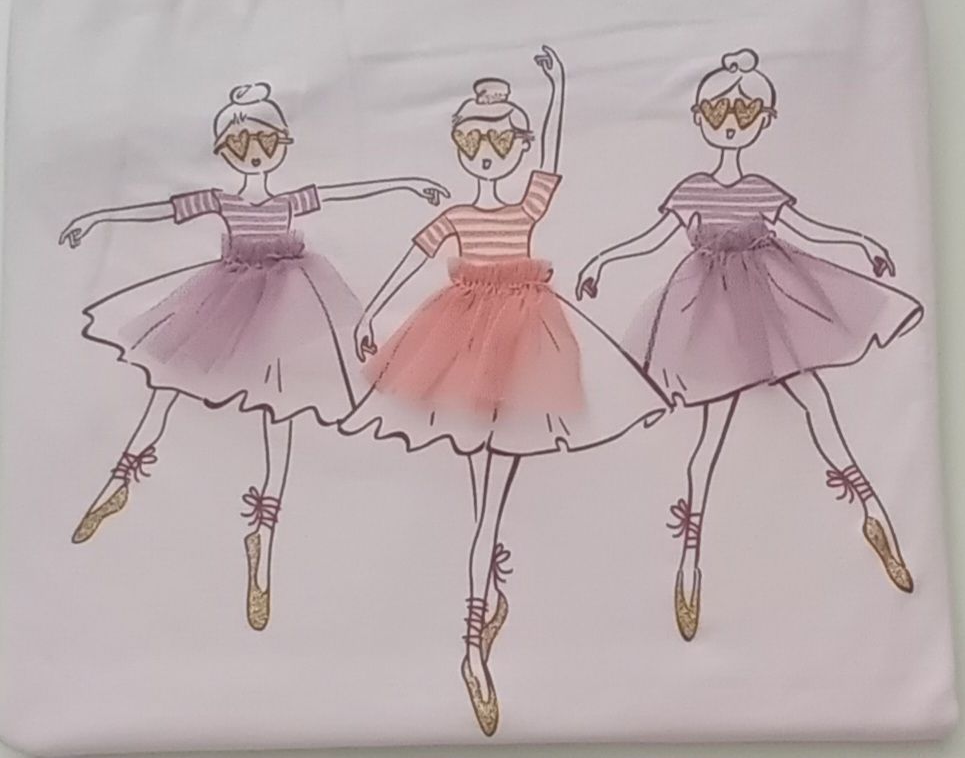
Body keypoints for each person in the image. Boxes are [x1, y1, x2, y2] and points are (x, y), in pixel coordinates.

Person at [342, 48, 668, 735]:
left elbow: (552, 161)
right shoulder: (458, 215)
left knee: (488, 496)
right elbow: (410, 258)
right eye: (472, 144)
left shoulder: (524, 209)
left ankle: (477, 622)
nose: (486, 155)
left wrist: (557, 89)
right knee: (482, 495)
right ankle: (478, 622)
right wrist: (370, 311)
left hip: (525, 345)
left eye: (499, 143)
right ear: (460, 148)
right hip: (460, 345)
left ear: (516, 146)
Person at [61, 82, 448, 632]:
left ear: (280, 144)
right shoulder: (222, 201)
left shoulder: (288, 202)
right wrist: (98, 217)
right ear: (226, 152)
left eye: (263, 143)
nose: (254, 155)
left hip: (286, 307)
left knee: (278, 417)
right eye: (241, 146)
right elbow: (163, 211)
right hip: (225, 300)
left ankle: (261, 544)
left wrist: (405, 182)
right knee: (167, 386)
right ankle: (117, 482)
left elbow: (345, 191)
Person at [577, 49, 923, 642]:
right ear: (700, 117)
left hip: (770, 308)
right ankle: (689, 562)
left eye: (744, 113)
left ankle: (871, 512)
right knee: (712, 438)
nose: (731, 122)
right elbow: (651, 238)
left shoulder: (761, 189)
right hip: (711, 318)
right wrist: (604, 260)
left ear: (764, 120)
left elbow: (808, 230)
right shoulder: (693, 189)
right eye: (718, 112)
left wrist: (861, 243)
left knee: (815, 405)